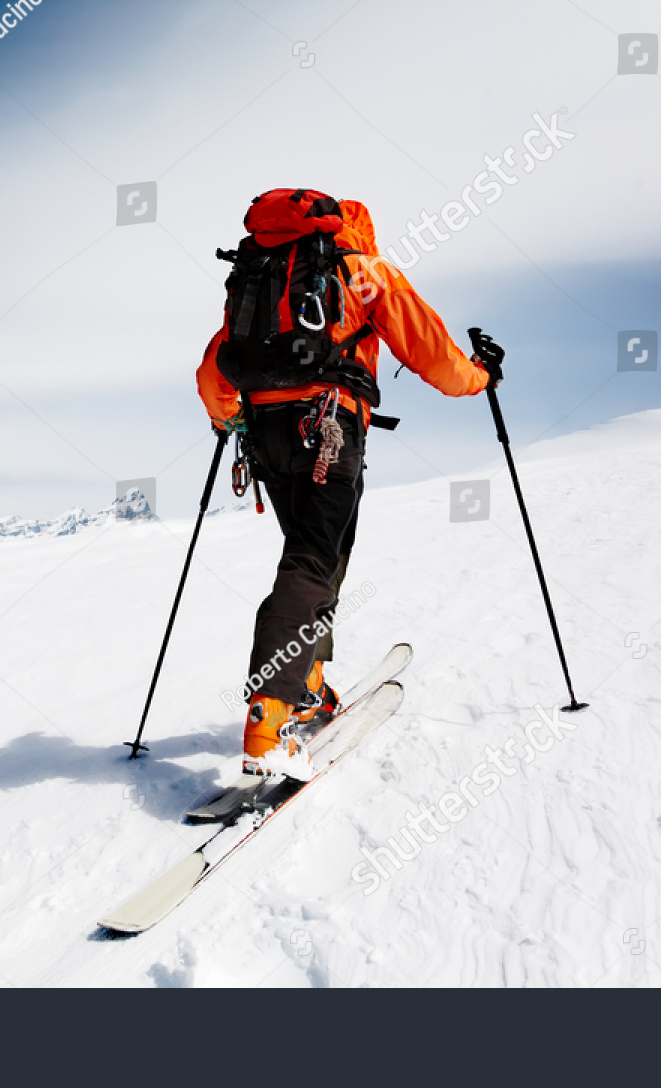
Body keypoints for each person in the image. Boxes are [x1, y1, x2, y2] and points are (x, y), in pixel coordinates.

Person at [196, 188, 495, 779]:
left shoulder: (259, 272)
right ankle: (269, 718)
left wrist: (225, 416)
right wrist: (480, 378)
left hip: (266, 435)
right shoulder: (361, 270)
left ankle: (305, 680)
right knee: (312, 557)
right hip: (329, 425)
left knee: (318, 550)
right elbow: (433, 352)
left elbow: (217, 363)